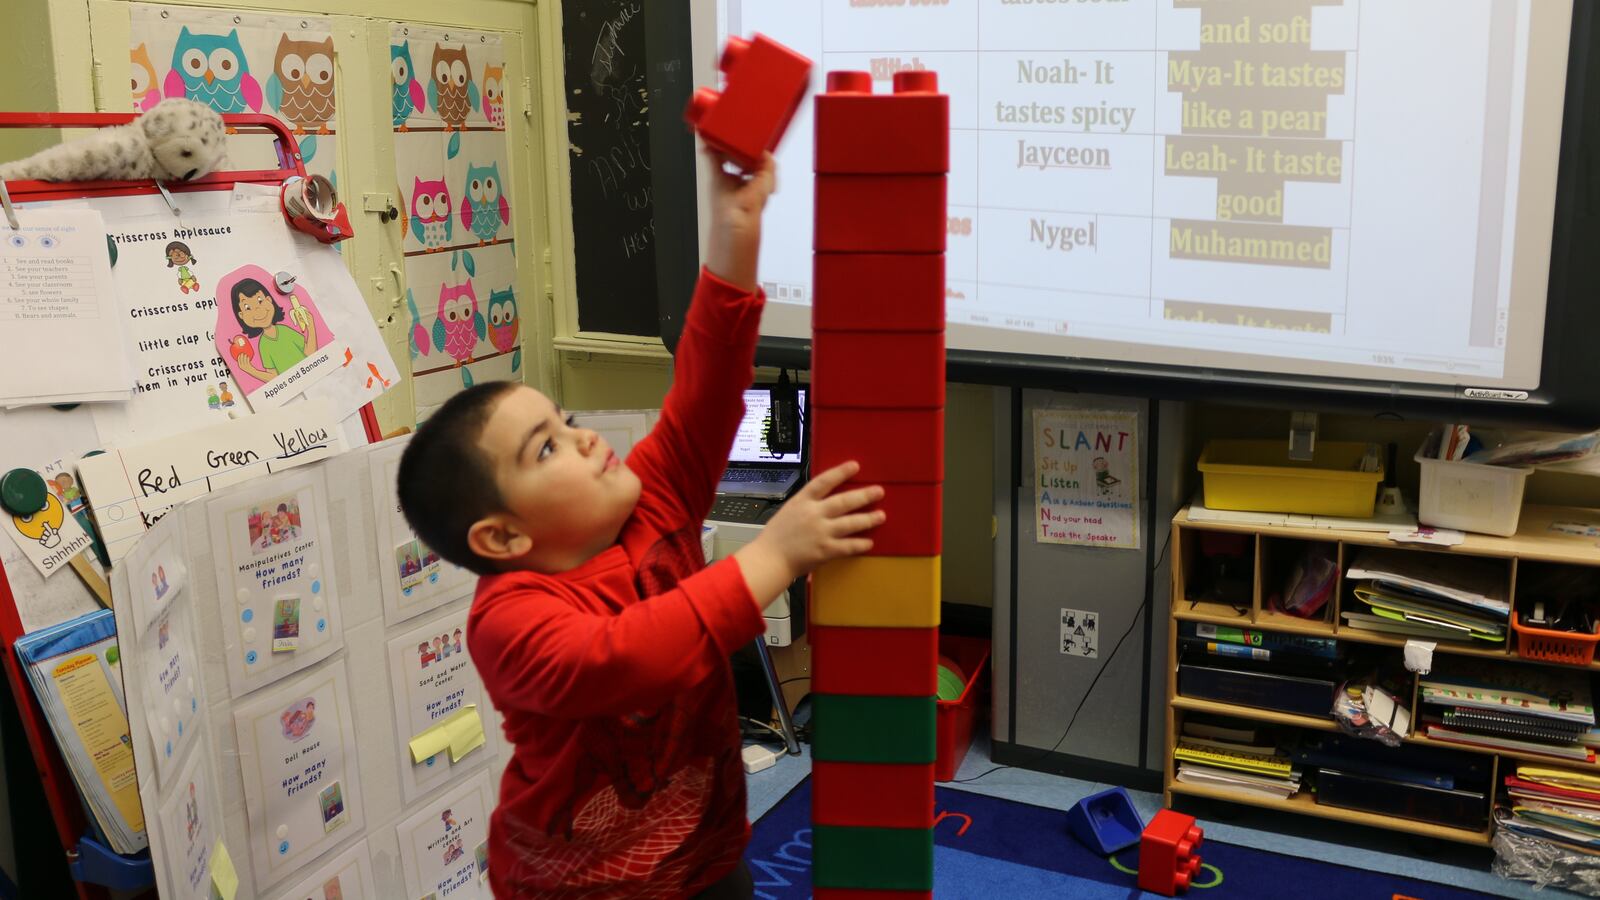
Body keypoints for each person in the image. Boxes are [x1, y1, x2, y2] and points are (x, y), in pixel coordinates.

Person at [397, 152, 883, 899]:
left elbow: (710, 378)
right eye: (547, 447)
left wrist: (735, 232)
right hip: (576, 887)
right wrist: (774, 555)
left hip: (707, 856)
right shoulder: (511, 622)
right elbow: (625, 658)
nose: (585, 436)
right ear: (502, 538)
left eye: (564, 419)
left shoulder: (652, 501)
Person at [229, 278, 319, 384]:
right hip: (292, 385)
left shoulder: (284, 331)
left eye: (260, 301)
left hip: (314, 374)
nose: (258, 310)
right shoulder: (264, 345)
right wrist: (251, 370)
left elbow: (310, 352)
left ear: (269, 300)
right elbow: (274, 377)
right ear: (241, 316)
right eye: (248, 307)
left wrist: (311, 327)